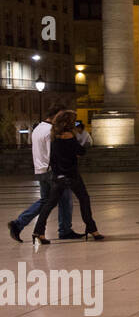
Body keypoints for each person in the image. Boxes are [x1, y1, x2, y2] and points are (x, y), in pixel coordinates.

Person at [8, 104, 79, 242]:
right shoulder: (52, 130)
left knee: (45, 201)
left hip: (40, 170)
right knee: (65, 200)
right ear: (56, 115)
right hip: (52, 171)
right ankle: (65, 230)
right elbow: (54, 153)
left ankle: (18, 223)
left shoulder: (38, 128)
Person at [30, 111, 102, 243]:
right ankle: (92, 229)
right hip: (72, 175)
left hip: (58, 175)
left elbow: (53, 158)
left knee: (49, 204)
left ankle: (38, 231)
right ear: (68, 122)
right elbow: (81, 151)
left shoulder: (54, 137)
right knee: (84, 199)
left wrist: (57, 173)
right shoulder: (70, 136)